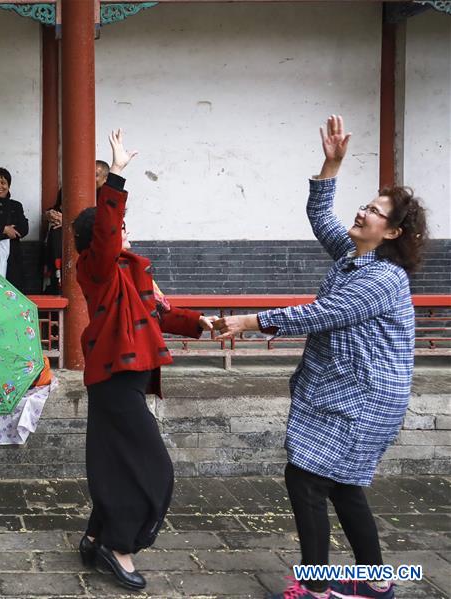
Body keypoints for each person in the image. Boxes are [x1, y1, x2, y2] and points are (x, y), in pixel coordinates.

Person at [214, 115, 429, 599]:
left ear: (392, 232)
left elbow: (322, 314)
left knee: (308, 480)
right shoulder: (355, 257)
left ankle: (314, 587)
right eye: (366, 205)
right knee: (342, 486)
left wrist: (250, 322)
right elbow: (322, 218)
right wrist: (331, 164)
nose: (363, 213)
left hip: (364, 398)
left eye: (374, 211)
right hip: (344, 391)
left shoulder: (382, 279)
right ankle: (375, 581)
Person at [74, 130, 215, 591]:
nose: (124, 234)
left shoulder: (131, 275)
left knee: (118, 461)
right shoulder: (95, 270)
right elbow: (108, 233)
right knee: (153, 467)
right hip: (113, 375)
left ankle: (97, 537)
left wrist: (199, 324)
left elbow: (161, 316)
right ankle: (120, 547)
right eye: (116, 230)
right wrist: (115, 176)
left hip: (130, 376)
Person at [42, 161, 109, 294]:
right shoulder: (70, 188)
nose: (90, 179)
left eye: (95, 175)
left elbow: (98, 222)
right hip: (61, 246)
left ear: (105, 178)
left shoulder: (107, 195)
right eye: (88, 174)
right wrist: (49, 214)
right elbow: (57, 208)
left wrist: (66, 221)